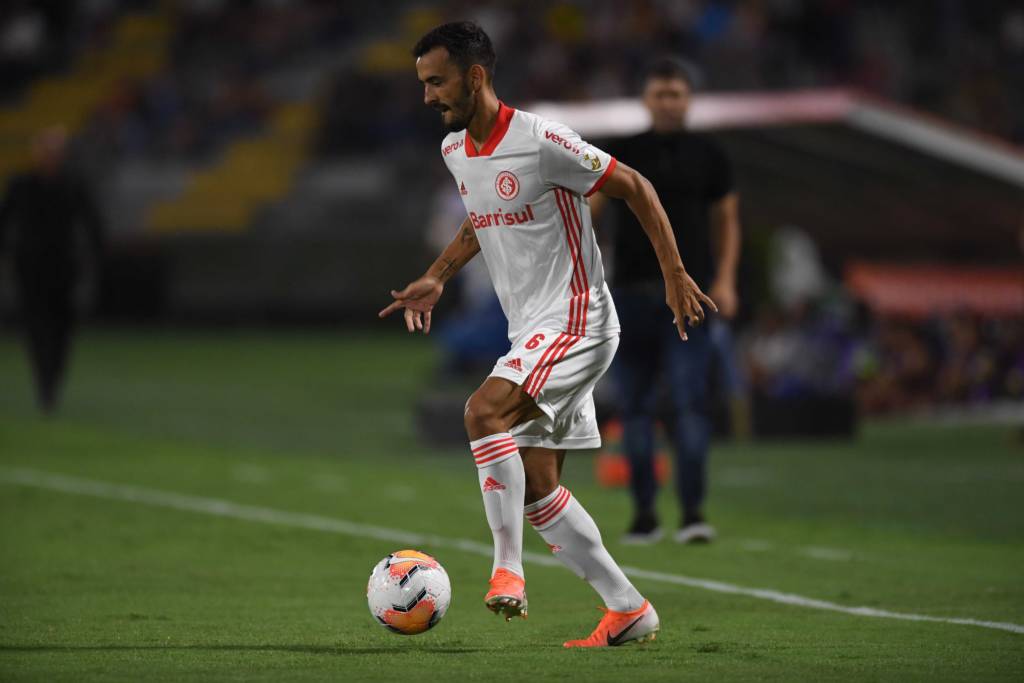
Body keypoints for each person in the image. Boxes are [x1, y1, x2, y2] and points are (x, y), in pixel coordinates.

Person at [379, 23, 716, 648]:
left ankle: (507, 569)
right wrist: (436, 276)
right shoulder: (456, 151)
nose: (427, 96)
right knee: (538, 489)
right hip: (531, 331)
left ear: (475, 76)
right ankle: (627, 610)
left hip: (576, 320)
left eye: (437, 81)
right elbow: (481, 220)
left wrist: (674, 274)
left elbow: (636, 186)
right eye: (423, 83)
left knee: (483, 411)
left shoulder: (541, 141)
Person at [592, 58, 741, 546]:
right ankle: (645, 516)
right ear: (646, 99)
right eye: (660, 94)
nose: (668, 103)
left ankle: (693, 514)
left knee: (688, 405)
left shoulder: (710, 156)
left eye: (675, 94)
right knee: (635, 408)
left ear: (689, 99)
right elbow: (591, 210)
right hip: (631, 296)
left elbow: (727, 222)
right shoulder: (623, 152)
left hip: (691, 297)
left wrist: (725, 280)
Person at [0, 126, 104, 414]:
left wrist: (95, 255)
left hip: (63, 266)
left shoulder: (73, 184)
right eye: (47, 150)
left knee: (62, 328)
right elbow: (5, 220)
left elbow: (91, 222)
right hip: (30, 266)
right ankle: (44, 382)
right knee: (36, 327)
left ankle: (52, 379)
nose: (51, 156)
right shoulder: (21, 184)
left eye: (56, 151)